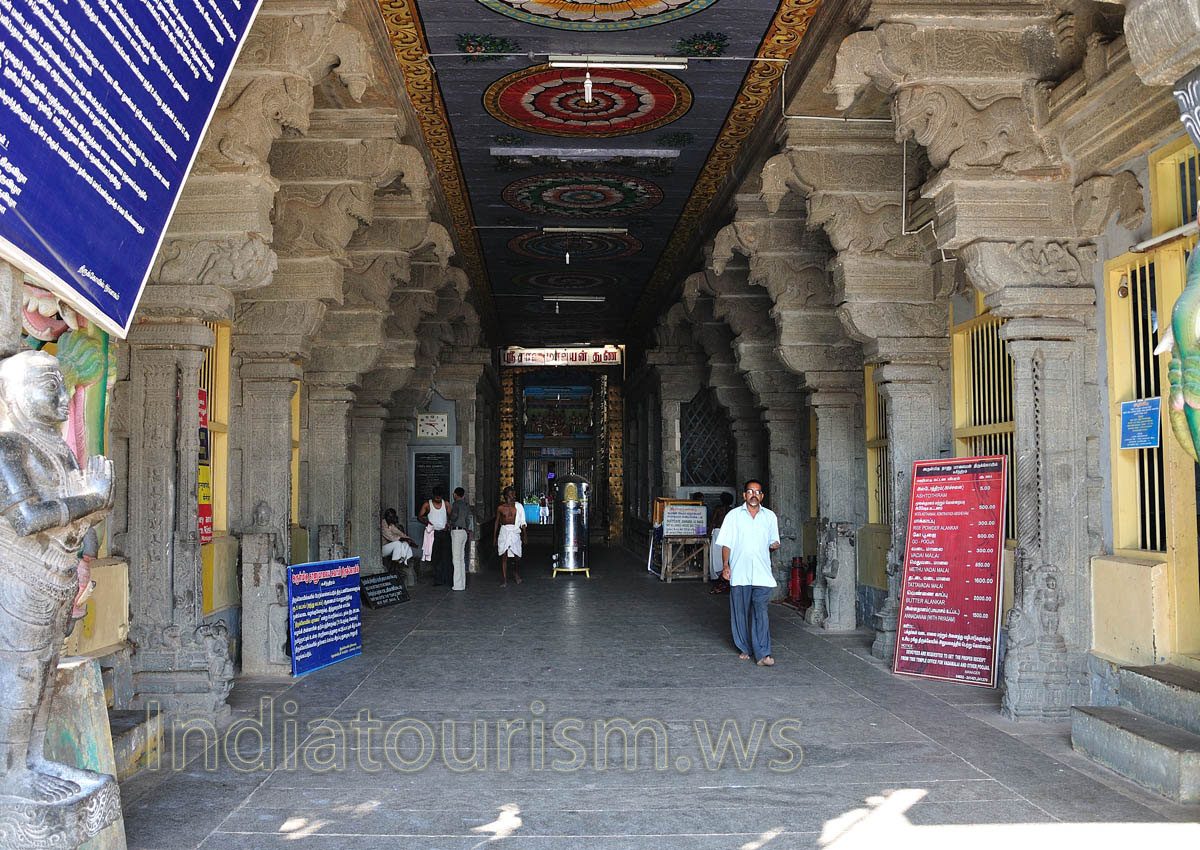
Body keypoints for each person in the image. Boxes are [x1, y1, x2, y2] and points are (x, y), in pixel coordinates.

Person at [716, 479, 781, 667]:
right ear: (744, 495)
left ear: (762, 496)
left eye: (757, 492)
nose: (754, 495)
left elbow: (774, 541)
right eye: (750, 491)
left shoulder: (770, 517)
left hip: (762, 573)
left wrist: (774, 545)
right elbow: (726, 543)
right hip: (740, 572)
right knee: (740, 612)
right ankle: (744, 647)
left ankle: (763, 653)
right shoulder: (734, 516)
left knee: (760, 611)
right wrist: (726, 565)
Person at [417, 485, 452, 586]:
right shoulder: (427, 504)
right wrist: (427, 523)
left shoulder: (446, 504)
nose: (438, 499)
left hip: (444, 533)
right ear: (433, 495)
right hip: (433, 534)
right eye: (436, 497)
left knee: (446, 556)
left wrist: (448, 524)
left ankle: (446, 578)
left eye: (440, 497)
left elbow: (451, 516)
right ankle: (437, 579)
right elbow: (419, 516)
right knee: (435, 557)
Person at [494, 486, 527, 587]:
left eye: (514, 494)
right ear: (506, 495)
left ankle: (515, 572)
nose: (514, 496)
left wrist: (524, 535)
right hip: (504, 532)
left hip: (515, 532)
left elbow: (523, 522)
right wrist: (494, 537)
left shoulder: (518, 507)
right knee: (504, 556)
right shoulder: (501, 508)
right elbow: (496, 522)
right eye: (512, 494)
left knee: (517, 556)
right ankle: (504, 579)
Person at [708, 491, 735, 594]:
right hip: (728, 532)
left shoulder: (718, 509)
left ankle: (717, 575)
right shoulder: (732, 510)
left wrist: (708, 534)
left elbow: (712, 522)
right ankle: (725, 574)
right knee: (727, 554)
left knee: (716, 555)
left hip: (718, 532)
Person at [449, 487, 472, 591]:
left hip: (457, 531)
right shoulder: (466, 505)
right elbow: (468, 520)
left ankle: (457, 585)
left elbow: (453, 517)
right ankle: (462, 583)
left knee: (456, 559)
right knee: (461, 559)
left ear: (455, 494)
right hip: (464, 532)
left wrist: (449, 521)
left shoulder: (456, 504)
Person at [380, 508, 414, 572]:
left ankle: (404, 561)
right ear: (386, 516)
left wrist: (408, 538)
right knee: (397, 543)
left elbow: (399, 533)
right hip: (382, 549)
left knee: (405, 543)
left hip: (390, 548)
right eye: (390, 517)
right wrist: (404, 538)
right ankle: (396, 562)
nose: (391, 518)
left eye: (393, 517)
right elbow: (391, 537)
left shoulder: (391, 524)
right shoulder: (383, 524)